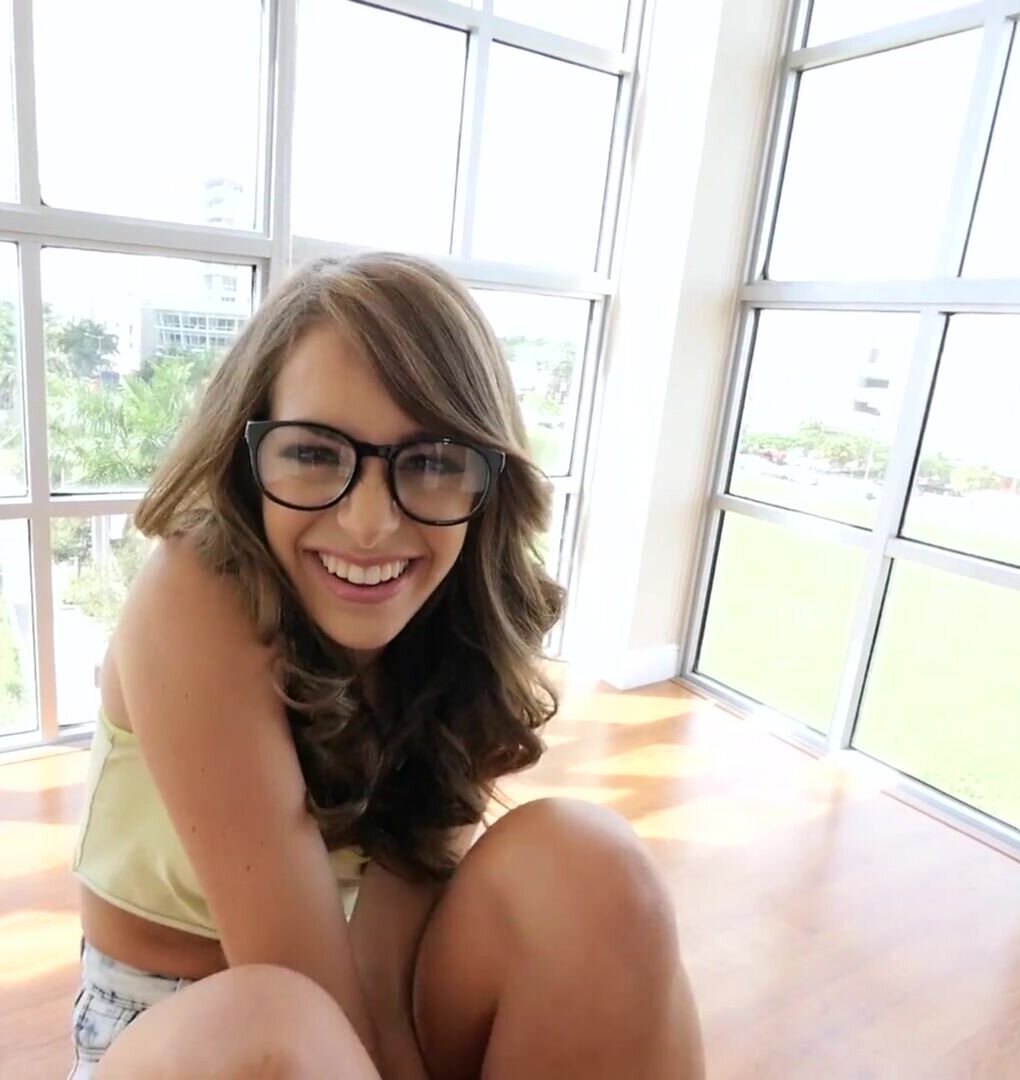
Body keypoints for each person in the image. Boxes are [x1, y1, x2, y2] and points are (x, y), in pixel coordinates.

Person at [68, 251, 704, 1079]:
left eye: (431, 461)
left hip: (352, 1012)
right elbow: (298, 997)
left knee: (594, 871)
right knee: (275, 1020)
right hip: (183, 1028)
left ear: (484, 479)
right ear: (249, 454)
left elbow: (376, 971)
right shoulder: (196, 593)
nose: (369, 523)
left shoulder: (459, 631)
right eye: (314, 453)